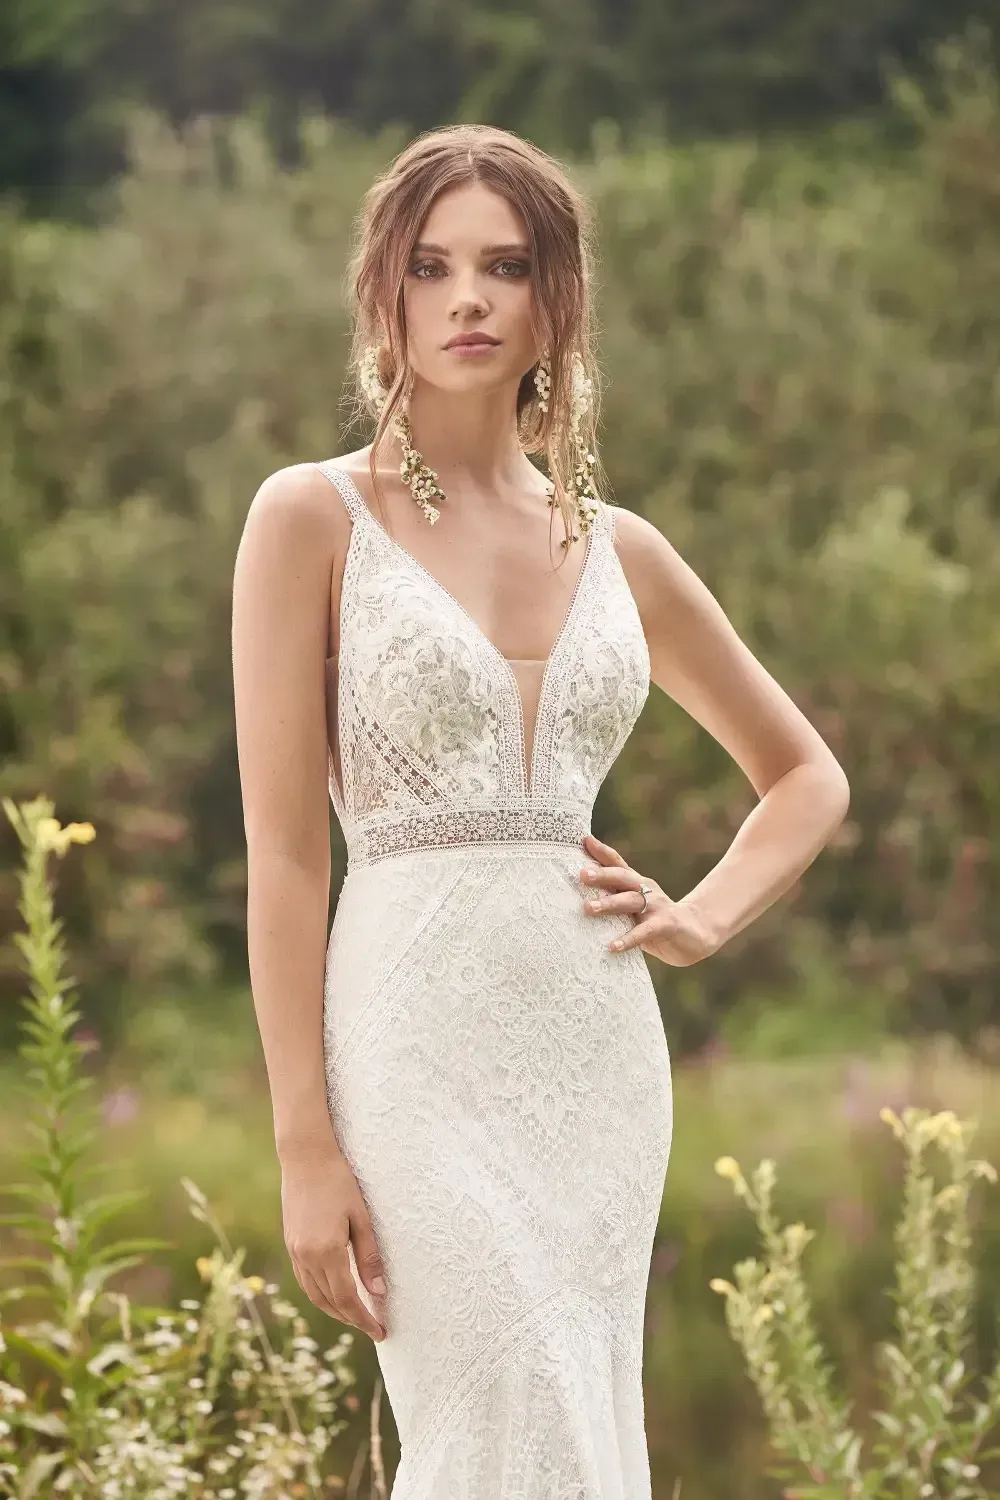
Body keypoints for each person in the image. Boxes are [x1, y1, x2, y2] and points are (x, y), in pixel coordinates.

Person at [231, 122, 850, 1498]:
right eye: (431, 266)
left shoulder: (619, 547)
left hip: (594, 1055)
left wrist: (696, 921)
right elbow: (280, 857)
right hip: (405, 1049)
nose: (466, 299)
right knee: (480, 1419)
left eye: (504, 266)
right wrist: (302, 1139)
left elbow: (806, 777)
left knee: (576, 1421)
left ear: (552, 297)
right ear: (383, 294)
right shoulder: (309, 520)